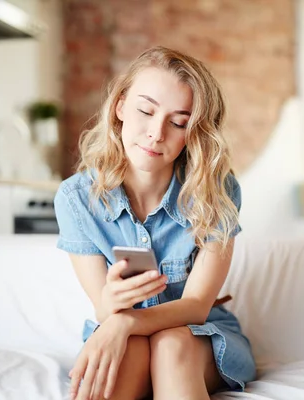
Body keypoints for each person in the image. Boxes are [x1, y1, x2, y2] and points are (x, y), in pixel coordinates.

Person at [54, 45, 256, 400]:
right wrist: (113, 305)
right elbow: (103, 308)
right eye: (145, 111)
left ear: (193, 132)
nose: (156, 133)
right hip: (120, 333)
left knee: (170, 345)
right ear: (119, 107)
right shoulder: (76, 199)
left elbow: (195, 306)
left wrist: (125, 319)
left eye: (178, 122)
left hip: (196, 334)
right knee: (126, 354)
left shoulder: (216, 191)